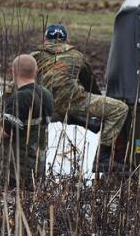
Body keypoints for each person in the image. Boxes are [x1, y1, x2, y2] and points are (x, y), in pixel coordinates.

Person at [32, 24, 128, 160]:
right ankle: (103, 156)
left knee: (33, 123)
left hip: (45, 109)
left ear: (44, 39)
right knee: (120, 109)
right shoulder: (76, 56)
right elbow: (90, 83)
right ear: (67, 40)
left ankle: (35, 162)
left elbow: (19, 83)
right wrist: (98, 111)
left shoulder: (34, 56)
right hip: (73, 103)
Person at [0, 54, 54, 187]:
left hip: (16, 170)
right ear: (36, 71)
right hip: (38, 168)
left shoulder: (18, 99)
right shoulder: (47, 95)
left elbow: (5, 132)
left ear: (13, 72)